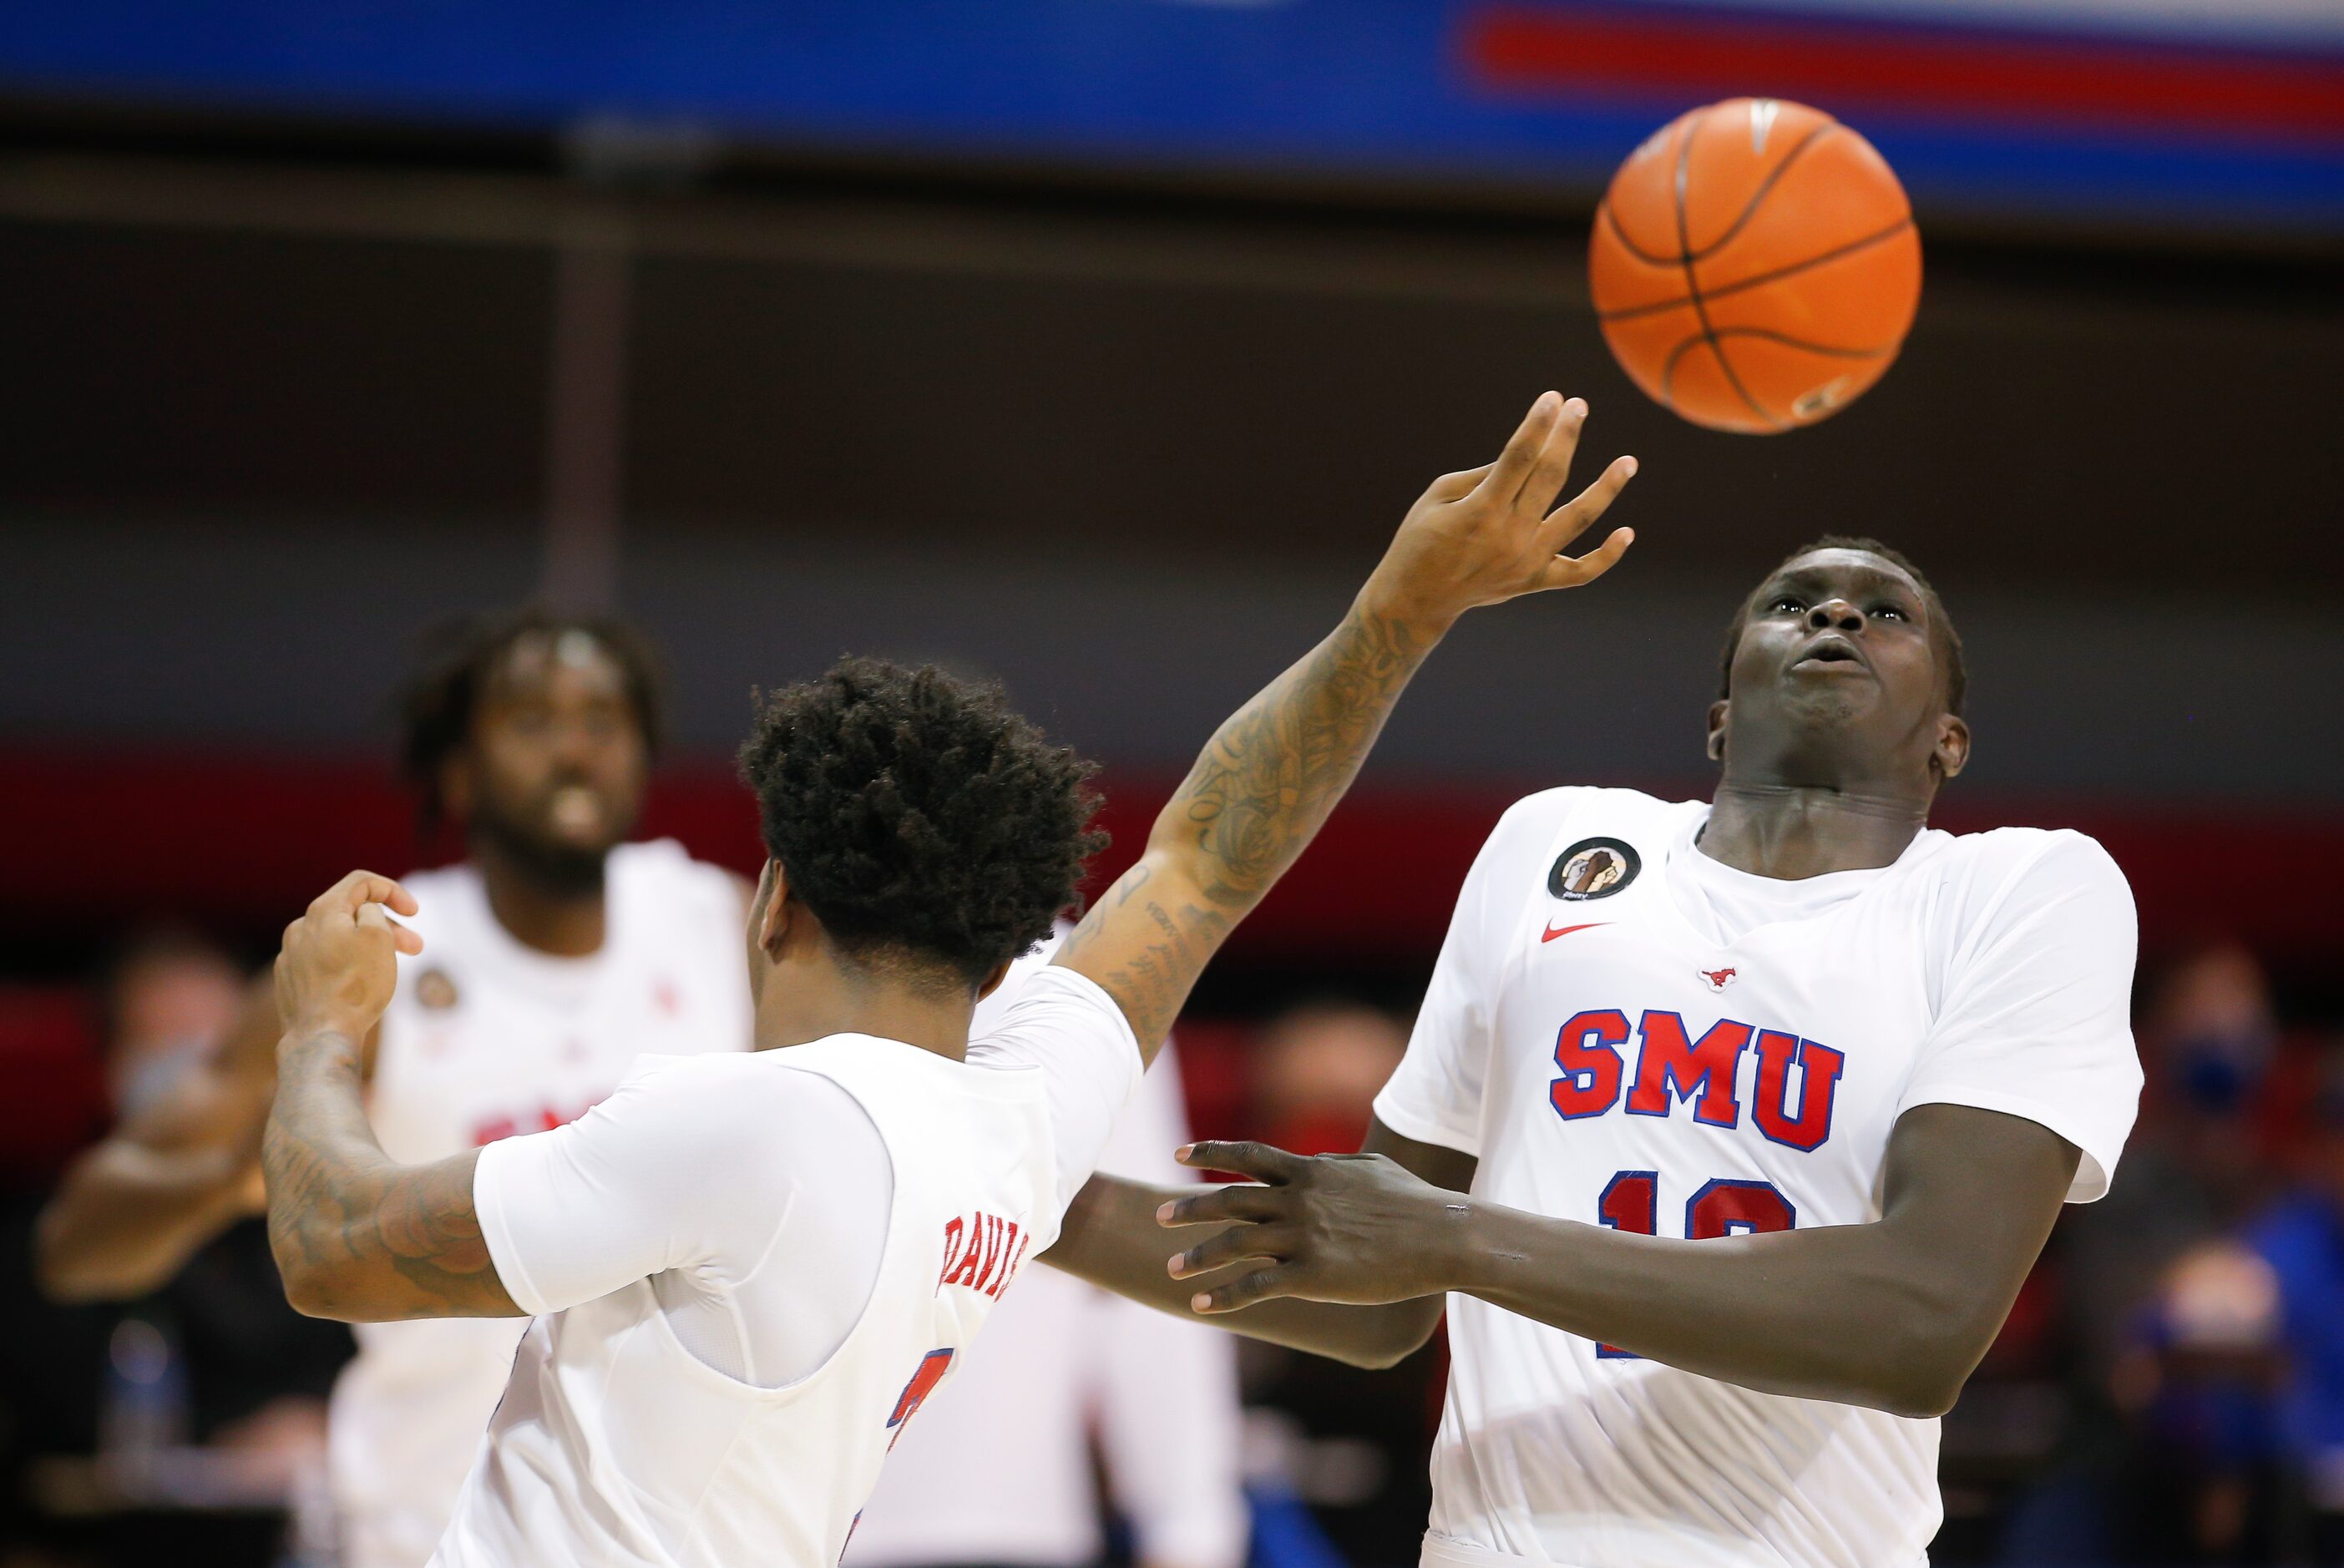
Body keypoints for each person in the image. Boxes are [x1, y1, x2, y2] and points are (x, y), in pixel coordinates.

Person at [254, 390, 1638, 1567]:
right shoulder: (1018, 1120)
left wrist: (317, 1029)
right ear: (1001, 944)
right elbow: (1205, 860)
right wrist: (1406, 611)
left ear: (777, 896)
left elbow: (328, 1250)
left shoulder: (745, 1124)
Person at [1046, 534, 2145, 1568]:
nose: (1833, 610)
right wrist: (1020, 1194)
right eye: (1786, 601)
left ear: (1945, 738)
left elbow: (1920, 1320)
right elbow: (1370, 1292)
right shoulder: (1553, 843)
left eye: (1884, 610)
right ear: (1719, 718)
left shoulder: (2018, 890)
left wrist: (1456, 1239)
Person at [36, 611, 752, 1568]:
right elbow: (75, 1246)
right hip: (432, 1530)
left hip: (681, 1539)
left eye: (602, 717)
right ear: (457, 769)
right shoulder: (384, 961)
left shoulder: (719, 926)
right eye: (532, 718)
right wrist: (228, 1179)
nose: (574, 745)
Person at [849, 931, 1248, 1568]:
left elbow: (1154, 1268)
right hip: (776, 1531)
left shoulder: (1078, 978)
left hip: (1009, 1515)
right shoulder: (746, 933)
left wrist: (1190, 1526)